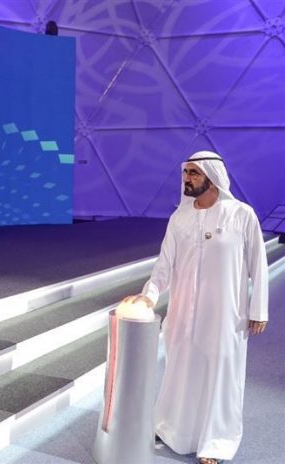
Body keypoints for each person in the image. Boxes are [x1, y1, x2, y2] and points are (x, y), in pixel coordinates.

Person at [124, 150, 268, 464]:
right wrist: (150, 295)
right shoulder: (180, 217)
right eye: (185, 173)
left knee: (220, 377)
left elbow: (258, 264)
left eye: (193, 173)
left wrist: (259, 309)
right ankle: (171, 428)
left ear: (212, 178)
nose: (186, 179)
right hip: (182, 313)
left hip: (225, 315)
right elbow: (164, 264)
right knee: (180, 371)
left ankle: (215, 443)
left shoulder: (241, 215)